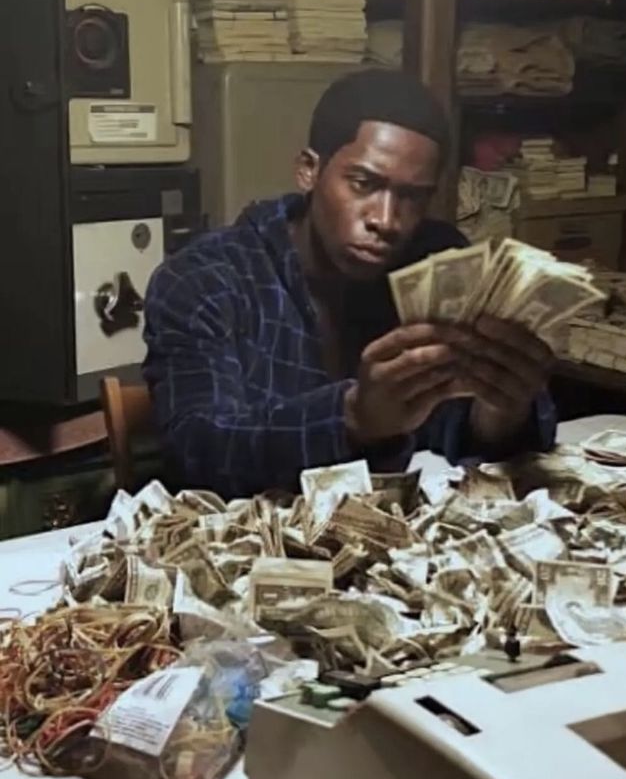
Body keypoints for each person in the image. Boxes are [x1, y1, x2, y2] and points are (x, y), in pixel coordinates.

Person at [144, 69, 556, 497]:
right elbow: (198, 450)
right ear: (309, 170)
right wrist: (354, 418)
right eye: (363, 184)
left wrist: (501, 410)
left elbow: (451, 426)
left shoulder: (435, 258)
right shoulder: (205, 278)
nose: (386, 220)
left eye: (413, 197)